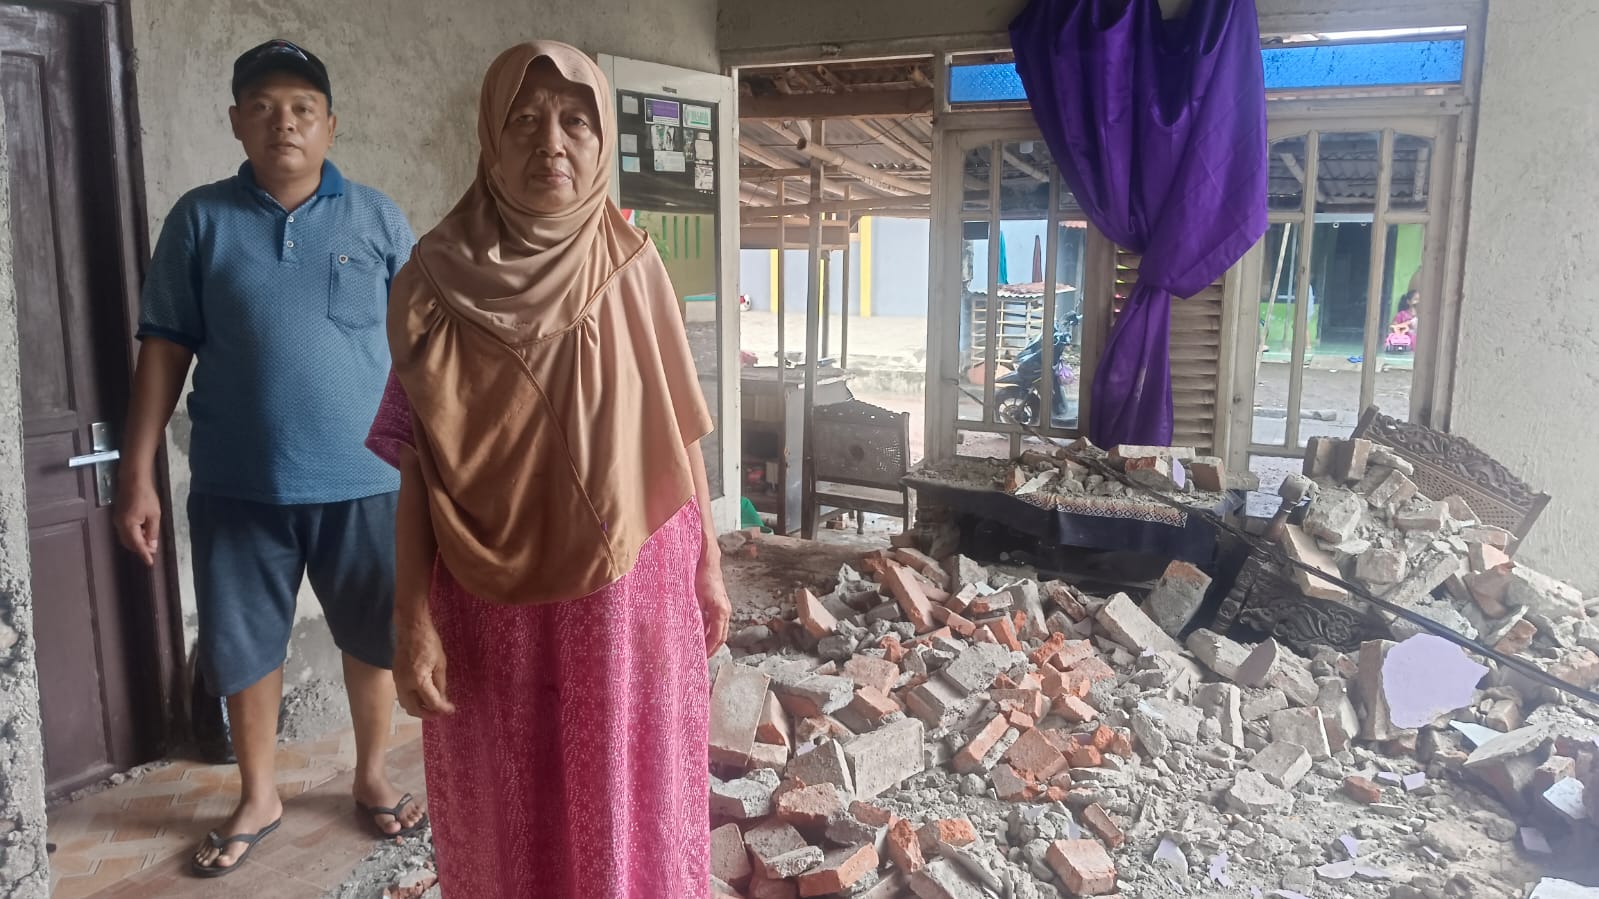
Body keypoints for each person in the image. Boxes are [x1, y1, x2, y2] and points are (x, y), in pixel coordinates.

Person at [365, 42, 731, 898]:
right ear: (490, 141)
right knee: (509, 808)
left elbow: (679, 429)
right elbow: (417, 461)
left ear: (602, 142)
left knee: (628, 800)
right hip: (491, 605)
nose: (551, 144)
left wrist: (709, 561)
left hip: (630, 593)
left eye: (575, 121)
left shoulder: (632, 266)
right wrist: (411, 616)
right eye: (524, 121)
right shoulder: (431, 283)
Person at [115, 39, 425, 877]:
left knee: (373, 638)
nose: (281, 122)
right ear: (235, 123)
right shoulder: (199, 220)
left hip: (367, 479)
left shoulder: (378, 219)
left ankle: (369, 773)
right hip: (238, 483)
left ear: (330, 124)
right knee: (245, 645)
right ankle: (258, 792)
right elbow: (163, 349)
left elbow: (427, 352)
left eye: (300, 109)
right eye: (261, 107)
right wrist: (135, 468)